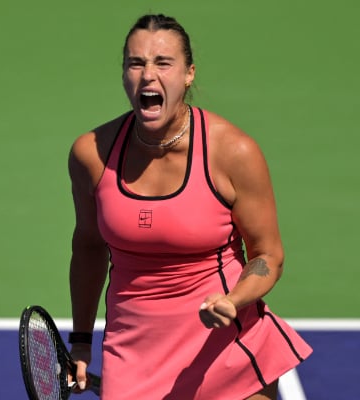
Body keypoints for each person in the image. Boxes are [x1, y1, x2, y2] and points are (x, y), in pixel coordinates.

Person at [67, 13, 312, 400]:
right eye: (136, 63)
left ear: (188, 74)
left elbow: (268, 255)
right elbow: (88, 247)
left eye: (163, 63)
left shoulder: (232, 153)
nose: (148, 75)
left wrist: (233, 300)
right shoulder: (92, 154)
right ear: (124, 74)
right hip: (133, 355)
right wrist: (81, 341)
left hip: (225, 348)